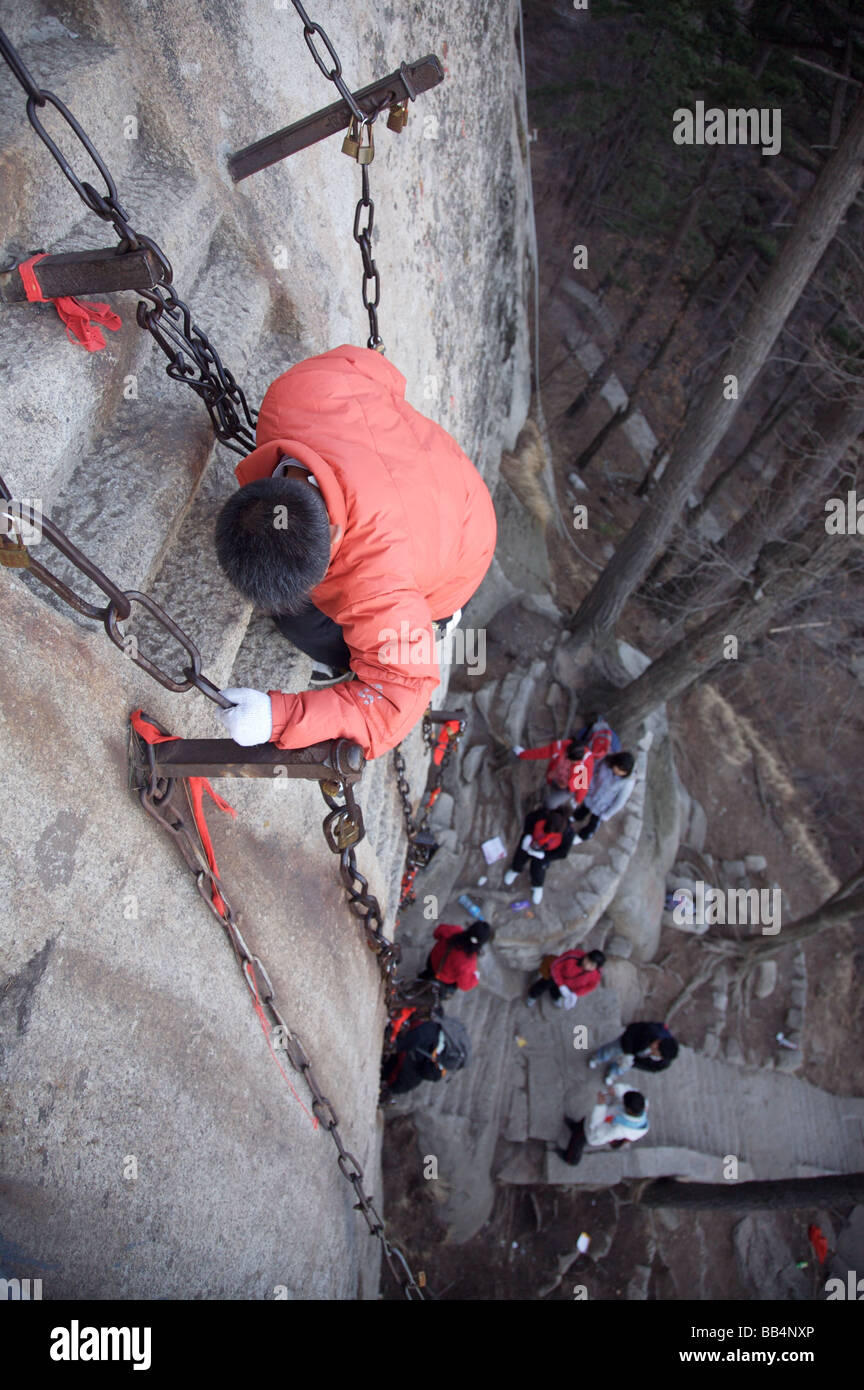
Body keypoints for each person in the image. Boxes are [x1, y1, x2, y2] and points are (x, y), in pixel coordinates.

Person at [212, 345, 497, 759]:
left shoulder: (379, 583)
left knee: (300, 624)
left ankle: (438, 620)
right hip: (450, 474)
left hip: (464, 553)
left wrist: (279, 716)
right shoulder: (292, 398)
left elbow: (397, 698)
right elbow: (379, 373)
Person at [511, 718, 614, 811]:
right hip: (554, 777)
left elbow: (583, 785)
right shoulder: (560, 747)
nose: (571, 762)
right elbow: (541, 753)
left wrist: (578, 800)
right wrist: (522, 754)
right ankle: (535, 801)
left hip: (567, 788)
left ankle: (543, 810)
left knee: (550, 803)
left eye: (573, 761)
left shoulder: (585, 763)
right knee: (545, 790)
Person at [556, 1085, 649, 1166]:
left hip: (590, 1133)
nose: (621, 1100)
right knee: (579, 1126)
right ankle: (575, 1127)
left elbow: (595, 1129)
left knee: (576, 1142)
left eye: (623, 1102)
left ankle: (571, 1159)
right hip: (595, 1120)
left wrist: (600, 1106)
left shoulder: (618, 1129)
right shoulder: (641, 1106)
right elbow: (628, 1092)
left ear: (628, 1110)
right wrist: (616, 1090)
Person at [504, 807, 576, 904]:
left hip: (545, 853)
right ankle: (515, 870)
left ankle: (537, 886)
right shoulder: (542, 814)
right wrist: (528, 835)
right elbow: (529, 819)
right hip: (530, 843)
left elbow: (562, 853)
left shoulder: (568, 834)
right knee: (519, 858)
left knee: (538, 870)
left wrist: (544, 856)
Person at [571, 751, 636, 841]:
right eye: (618, 767)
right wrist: (588, 789)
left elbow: (620, 801)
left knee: (593, 823)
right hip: (592, 796)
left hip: (603, 807)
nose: (618, 772)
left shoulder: (627, 783)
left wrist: (607, 815)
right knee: (583, 809)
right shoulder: (605, 761)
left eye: (623, 771)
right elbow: (592, 772)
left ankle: (583, 836)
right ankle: (576, 817)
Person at [418, 920, 492, 996]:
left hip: (431, 961)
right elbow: (465, 985)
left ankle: (422, 978)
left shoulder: (454, 930)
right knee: (450, 989)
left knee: (429, 972)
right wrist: (475, 978)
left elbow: (437, 932)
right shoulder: (468, 961)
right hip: (443, 978)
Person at [589, 1021, 679, 1082]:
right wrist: (628, 1052)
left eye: (657, 1049)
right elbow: (632, 1029)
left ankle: (612, 1072)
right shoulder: (651, 1030)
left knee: (622, 1067)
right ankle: (598, 1057)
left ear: (661, 1056)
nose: (654, 1045)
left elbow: (650, 1068)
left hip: (635, 1058)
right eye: (657, 1042)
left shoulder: (663, 1063)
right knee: (609, 1050)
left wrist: (632, 1063)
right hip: (626, 1044)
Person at [526, 947, 605, 1009]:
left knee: (559, 992)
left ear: (597, 967)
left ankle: (555, 997)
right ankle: (532, 995)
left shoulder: (597, 974)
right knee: (543, 985)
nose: (587, 965)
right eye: (587, 960)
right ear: (586, 956)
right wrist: (560, 984)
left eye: (592, 965)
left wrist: (575, 994)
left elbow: (590, 986)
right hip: (556, 976)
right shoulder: (572, 956)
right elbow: (555, 965)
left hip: (570, 986)